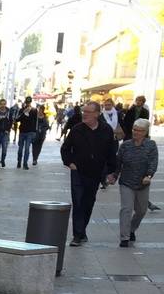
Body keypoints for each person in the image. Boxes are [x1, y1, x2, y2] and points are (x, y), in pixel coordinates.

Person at [60, 101, 117, 247]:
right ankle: (77, 235)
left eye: (88, 112)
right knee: (78, 201)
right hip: (78, 171)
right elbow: (65, 148)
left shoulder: (106, 130)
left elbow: (111, 153)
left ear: (97, 114)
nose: (84, 114)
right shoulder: (77, 129)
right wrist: (69, 163)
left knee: (88, 202)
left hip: (95, 173)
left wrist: (112, 172)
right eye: (84, 112)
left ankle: (82, 230)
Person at [116, 118, 157, 248]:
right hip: (126, 182)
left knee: (141, 211)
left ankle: (132, 229)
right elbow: (118, 163)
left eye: (139, 131)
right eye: (134, 130)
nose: (136, 132)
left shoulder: (151, 145)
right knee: (126, 209)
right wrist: (113, 175)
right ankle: (124, 237)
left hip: (143, 183)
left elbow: (153, 162)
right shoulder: (125, 145)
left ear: (145, 132)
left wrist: (149, 175)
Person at [15, 97, 38, 169]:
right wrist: (23, 113)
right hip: (22, 131)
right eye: (27, 102)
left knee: (27, 148)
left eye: (29, 102)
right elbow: (17, 119)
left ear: (31, 102)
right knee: (20, 149)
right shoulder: (21, 110)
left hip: (30, 132)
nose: (28, 104)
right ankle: (19, 161)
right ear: (25, 102)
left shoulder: (34, 110)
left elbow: (35, 122)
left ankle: (25, 163)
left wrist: (35, 132)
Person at [0, 99, 12, 168]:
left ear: (5, 104)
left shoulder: (9, 112)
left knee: (4, 149)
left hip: (5, 133)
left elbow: (11, 122)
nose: (3, 105)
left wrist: (8, 130)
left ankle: (3, 160)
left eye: (4, 104)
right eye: (1, 104)